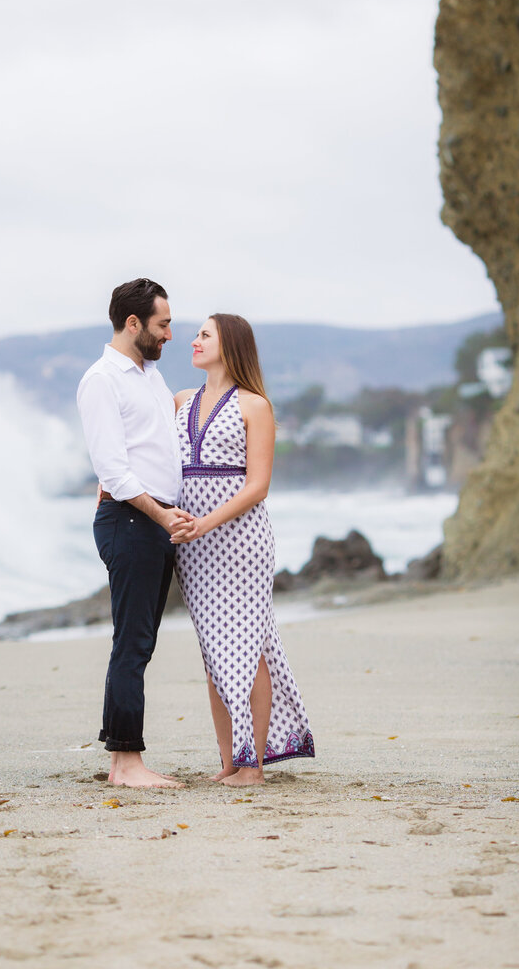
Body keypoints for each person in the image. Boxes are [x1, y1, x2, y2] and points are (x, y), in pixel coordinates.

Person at [171, 313, 314, 786]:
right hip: (193, 550)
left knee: (248, 648)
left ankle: (252, 768)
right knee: (214, 654)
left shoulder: (255, 406)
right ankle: (230, 761)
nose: (193, 341)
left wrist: (203, 524)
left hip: (239, 542)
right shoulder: (180, 401)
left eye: (204, 335)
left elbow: (258, 486)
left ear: (229, 345)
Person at [76, 278, 191, 788]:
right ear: (133, 323)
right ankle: (125, 763)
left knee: (139, 642)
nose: (169, 335)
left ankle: (124, 758)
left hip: (153, 520)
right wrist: (162, 516)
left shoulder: (148, 377)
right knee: (132, 642)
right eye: (163, 324)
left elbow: (153, 437)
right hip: (130, 519)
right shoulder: (102, 379)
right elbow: (115, 469)